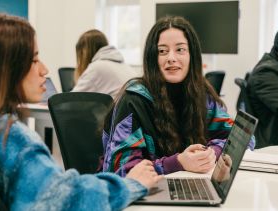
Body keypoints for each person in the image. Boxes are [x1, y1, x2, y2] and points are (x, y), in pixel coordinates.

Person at [0, 13, 161, 211]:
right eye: (34, 60)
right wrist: (132, 184)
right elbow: (67, 199)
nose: (44, 69)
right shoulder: (10, 138)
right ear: (4, 70)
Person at [101, 16, 255, 177]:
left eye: (180, 49)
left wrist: (212, 153)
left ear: (192, 55)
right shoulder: (133, 101)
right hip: (144, 195)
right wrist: (179, 162)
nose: (171, 58)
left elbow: (244, 139)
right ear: (153, 57)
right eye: (162, 51)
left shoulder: (200, 94)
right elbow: (122, 170)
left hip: (191, 187)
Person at [72, 29, 138, 99]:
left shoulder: (97, 67)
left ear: (84, 52)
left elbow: (70, 101)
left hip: (122, 109)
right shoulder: (124, 66)